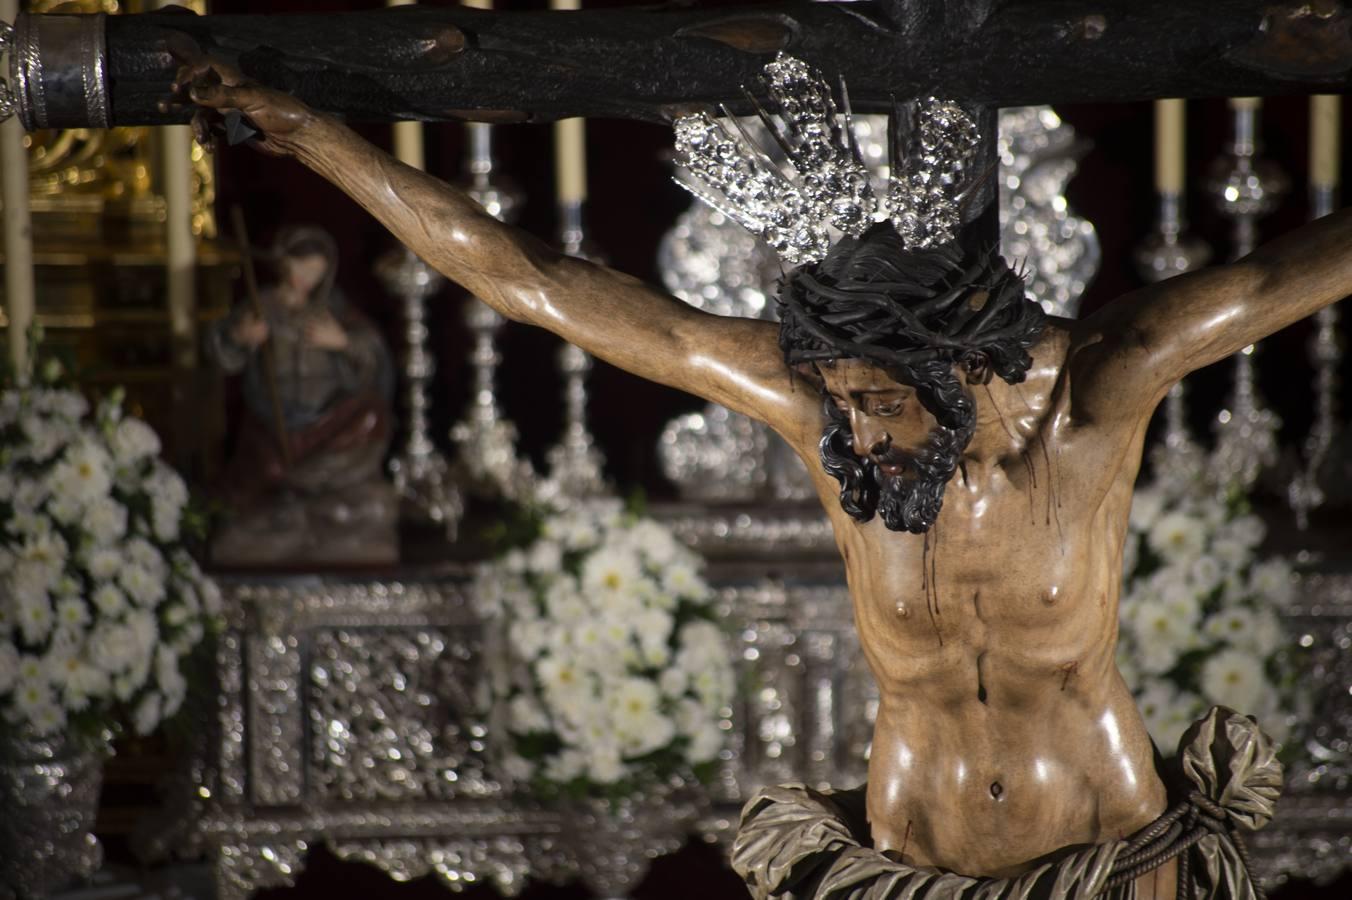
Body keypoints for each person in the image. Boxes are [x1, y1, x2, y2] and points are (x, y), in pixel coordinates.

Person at [171, 54, 1348, 896]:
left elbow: (1298, 268)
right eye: (832, 397)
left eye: (877, 405)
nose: (846, 431)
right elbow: (526, 276)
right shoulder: (822, 400)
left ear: (960, 372)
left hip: (1111, 862)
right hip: (904, 865)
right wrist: (312, 139)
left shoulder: (1098, 397)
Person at [207, 224, 397, 565]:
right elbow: (222, 353)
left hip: (327, 421)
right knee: (254, 485)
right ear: (283, 263)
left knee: (372, 415)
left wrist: (342, 342)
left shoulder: (334, 308)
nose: (305, 279)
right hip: (274, 422)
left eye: (315, 272)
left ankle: (313, 484)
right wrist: (241, 337)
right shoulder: (261, 305)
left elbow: (373, 350)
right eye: (300, 268)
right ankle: (284, 494)